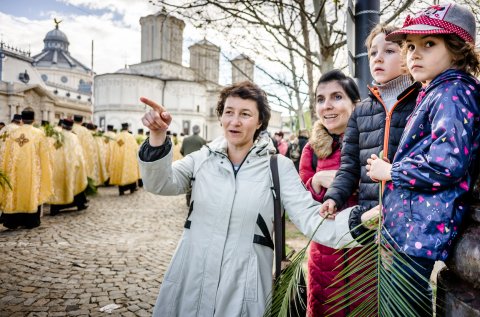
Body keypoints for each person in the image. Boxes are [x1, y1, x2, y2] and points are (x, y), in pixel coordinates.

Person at [138, 81, 364, 317]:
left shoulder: (278, 167)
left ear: (259, 122)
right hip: (190, 278)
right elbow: (160, 183)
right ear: (221, 117)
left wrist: (362, 221)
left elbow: (310, 219)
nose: (234, 121)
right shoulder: (201, 159)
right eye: (229, 112)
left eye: (245, 114)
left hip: (244, 286)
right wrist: (157, 135)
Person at [363, 3, 480, 316]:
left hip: (420, 231)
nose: (414, 53)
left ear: (458, 50)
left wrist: (392, 171)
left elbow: (448, 162)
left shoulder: (454, 92)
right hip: (409, 227)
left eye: (429, 44)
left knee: (403, 308)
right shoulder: (435, 91)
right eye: (410, 46)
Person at [321, 23, 421, 216]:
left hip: (411, 215)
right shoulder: (360, 111)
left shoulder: (422, 101)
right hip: (370, 219)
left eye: (389, 50)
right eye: (373, 53)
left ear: (407, 55)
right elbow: (349, 167)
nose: (378, 58)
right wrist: (334, 197)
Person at [299, 70, 366, 316]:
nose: (326, 106)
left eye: (337, 97)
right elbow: (301, 206)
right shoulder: (312, 149)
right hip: (325, 260)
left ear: (355, 104)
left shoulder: (371, 141)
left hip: (366, 258)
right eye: (320, 99)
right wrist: (316, 183)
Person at [0, 110, 53, 229]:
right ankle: (31, 221)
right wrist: (46, 168)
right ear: (34, 120)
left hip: (14, 171)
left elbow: (5, 154)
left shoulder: (13, 133)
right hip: (32, 171)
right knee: (31, 191)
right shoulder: (39, 133)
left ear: (21, 120)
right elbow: (44, 154)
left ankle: (12, 221)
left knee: (15, 191)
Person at [49, 118, 88, 215]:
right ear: (71, 127)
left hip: (57, 166)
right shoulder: (74, 138)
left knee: (57, 185)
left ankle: (55, 208)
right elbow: (78, 153)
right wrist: (82, 164)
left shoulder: (56, 136)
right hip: (70, 166)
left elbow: (51, 150)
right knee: (74, 183)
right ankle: (79, 204)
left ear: (62, 126)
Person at [109, 122, 140, 195]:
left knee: (121, 172)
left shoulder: (117, 136)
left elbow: (114, 148)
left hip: (120, 158)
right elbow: (136, 148)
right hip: (130, 159)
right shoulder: (131, 137)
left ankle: (121, 190)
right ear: (127, 128)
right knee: (130, 173)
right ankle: (132, 189)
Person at [179, 124, 206, 206]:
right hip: (198, 164)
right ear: (199, 131)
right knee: (197, 181)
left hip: (187, 162)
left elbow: (181, 150)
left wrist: (186, 156)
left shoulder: (186, 139)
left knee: (188, 180)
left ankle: (188, 196)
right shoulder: (202, 140)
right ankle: (194, 198)